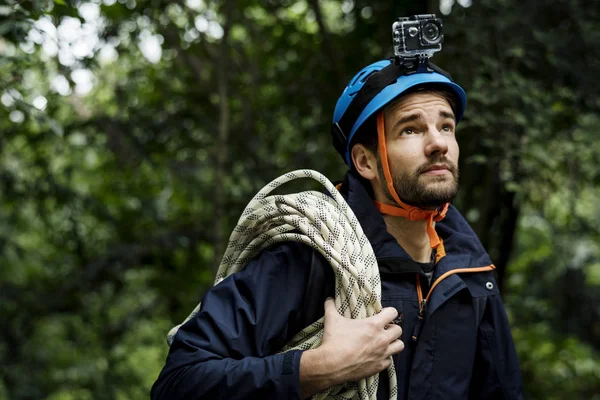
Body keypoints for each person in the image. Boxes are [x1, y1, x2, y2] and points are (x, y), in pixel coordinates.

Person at [151, 49, 524, 400]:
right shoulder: (309, 256)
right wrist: (318, 368)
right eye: (410, 130)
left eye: (446, 126)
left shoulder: (471, 271)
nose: (437, 143)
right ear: (365, 162)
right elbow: (180, 383)